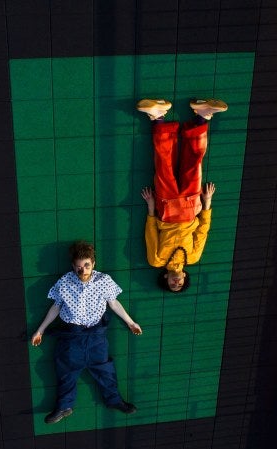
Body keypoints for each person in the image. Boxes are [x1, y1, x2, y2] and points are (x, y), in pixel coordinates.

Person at [31, 241, 142, 424]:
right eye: (78, 267)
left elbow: (113, 303)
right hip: (72, 335)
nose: (82, 270)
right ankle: (64, 406)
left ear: (93, 264)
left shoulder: (104, 281)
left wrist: (130, 322)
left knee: (105, 370)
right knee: (66, 371)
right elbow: (56, 307)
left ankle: (114, 401)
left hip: (96, 335)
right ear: (73, 266)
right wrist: (40, 330)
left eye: (87, 265)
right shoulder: (65, 282)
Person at [137, 98, 228, 292]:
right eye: (180, 284)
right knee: (194, 163)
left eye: (172, 284)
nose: (176, 282)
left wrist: (151, 205)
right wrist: (208, 202)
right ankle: (202, 116)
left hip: (166, 208)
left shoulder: (156, 260)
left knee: (163, 163)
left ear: (166, 278)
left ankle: (158, 117)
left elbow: (151, 232)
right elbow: (203, 230)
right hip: (190, 207)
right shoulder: (194, 257)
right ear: (185, 276)